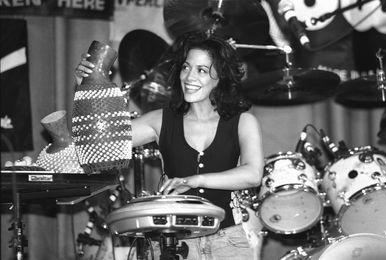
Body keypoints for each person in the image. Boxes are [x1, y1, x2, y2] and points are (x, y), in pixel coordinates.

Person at [75, 31, 264, 260]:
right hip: (174, 245)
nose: (189, 77)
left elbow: (253, 174)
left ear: (220, 78)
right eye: (186, 67)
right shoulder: (160, 120)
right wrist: (86, 88)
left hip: (227, 242)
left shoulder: (243, 122)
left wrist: (194, 180)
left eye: (201, 70)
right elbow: (101, 142)